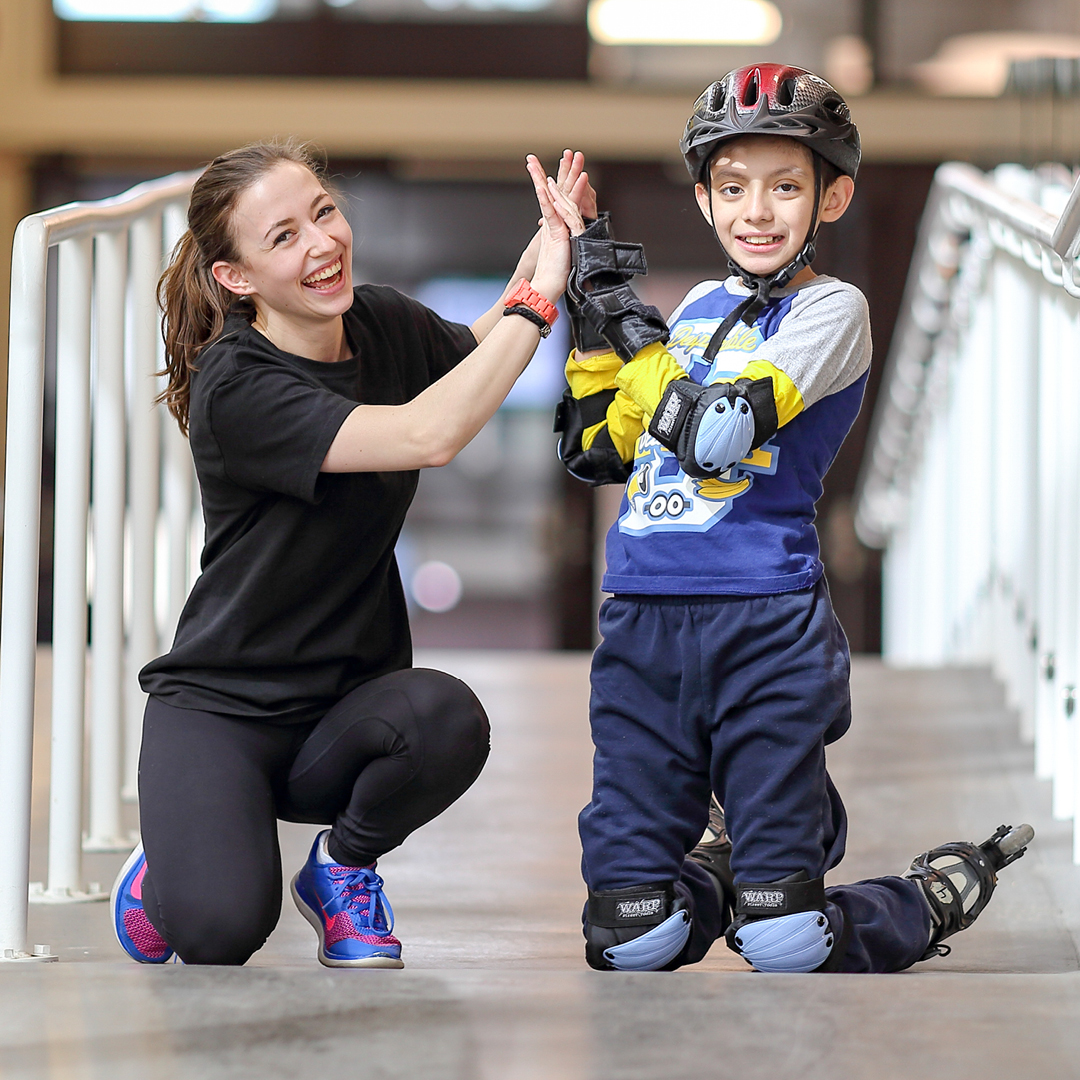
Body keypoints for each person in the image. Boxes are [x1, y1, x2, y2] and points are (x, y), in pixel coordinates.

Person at [548, 64, 1033, 973]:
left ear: (833, 197)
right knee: (626, 942)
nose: (756, 212)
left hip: (764, 625)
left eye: (784, 187)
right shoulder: (695, 307)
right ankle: (740, 864)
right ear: (703, 200)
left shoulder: (831, 310)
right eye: (732, 188)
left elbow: (715, 434)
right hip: (642, 625)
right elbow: (602, 449)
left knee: (784, 945)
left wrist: (628, 326)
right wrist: (587, 307)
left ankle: (914, 900)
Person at [110, 139, 585, 968]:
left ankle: (341, 867)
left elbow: (474, 360)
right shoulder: (239, 386)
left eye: (323, 213)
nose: (322, 244)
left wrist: (544, 253)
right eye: (283, 237)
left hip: (341, 710)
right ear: (237, 278)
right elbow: (429, 432)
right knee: (218, 934)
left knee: (447, 717)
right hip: (224, 710)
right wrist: (542, 304)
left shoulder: (383, 323)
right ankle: (181, 856)